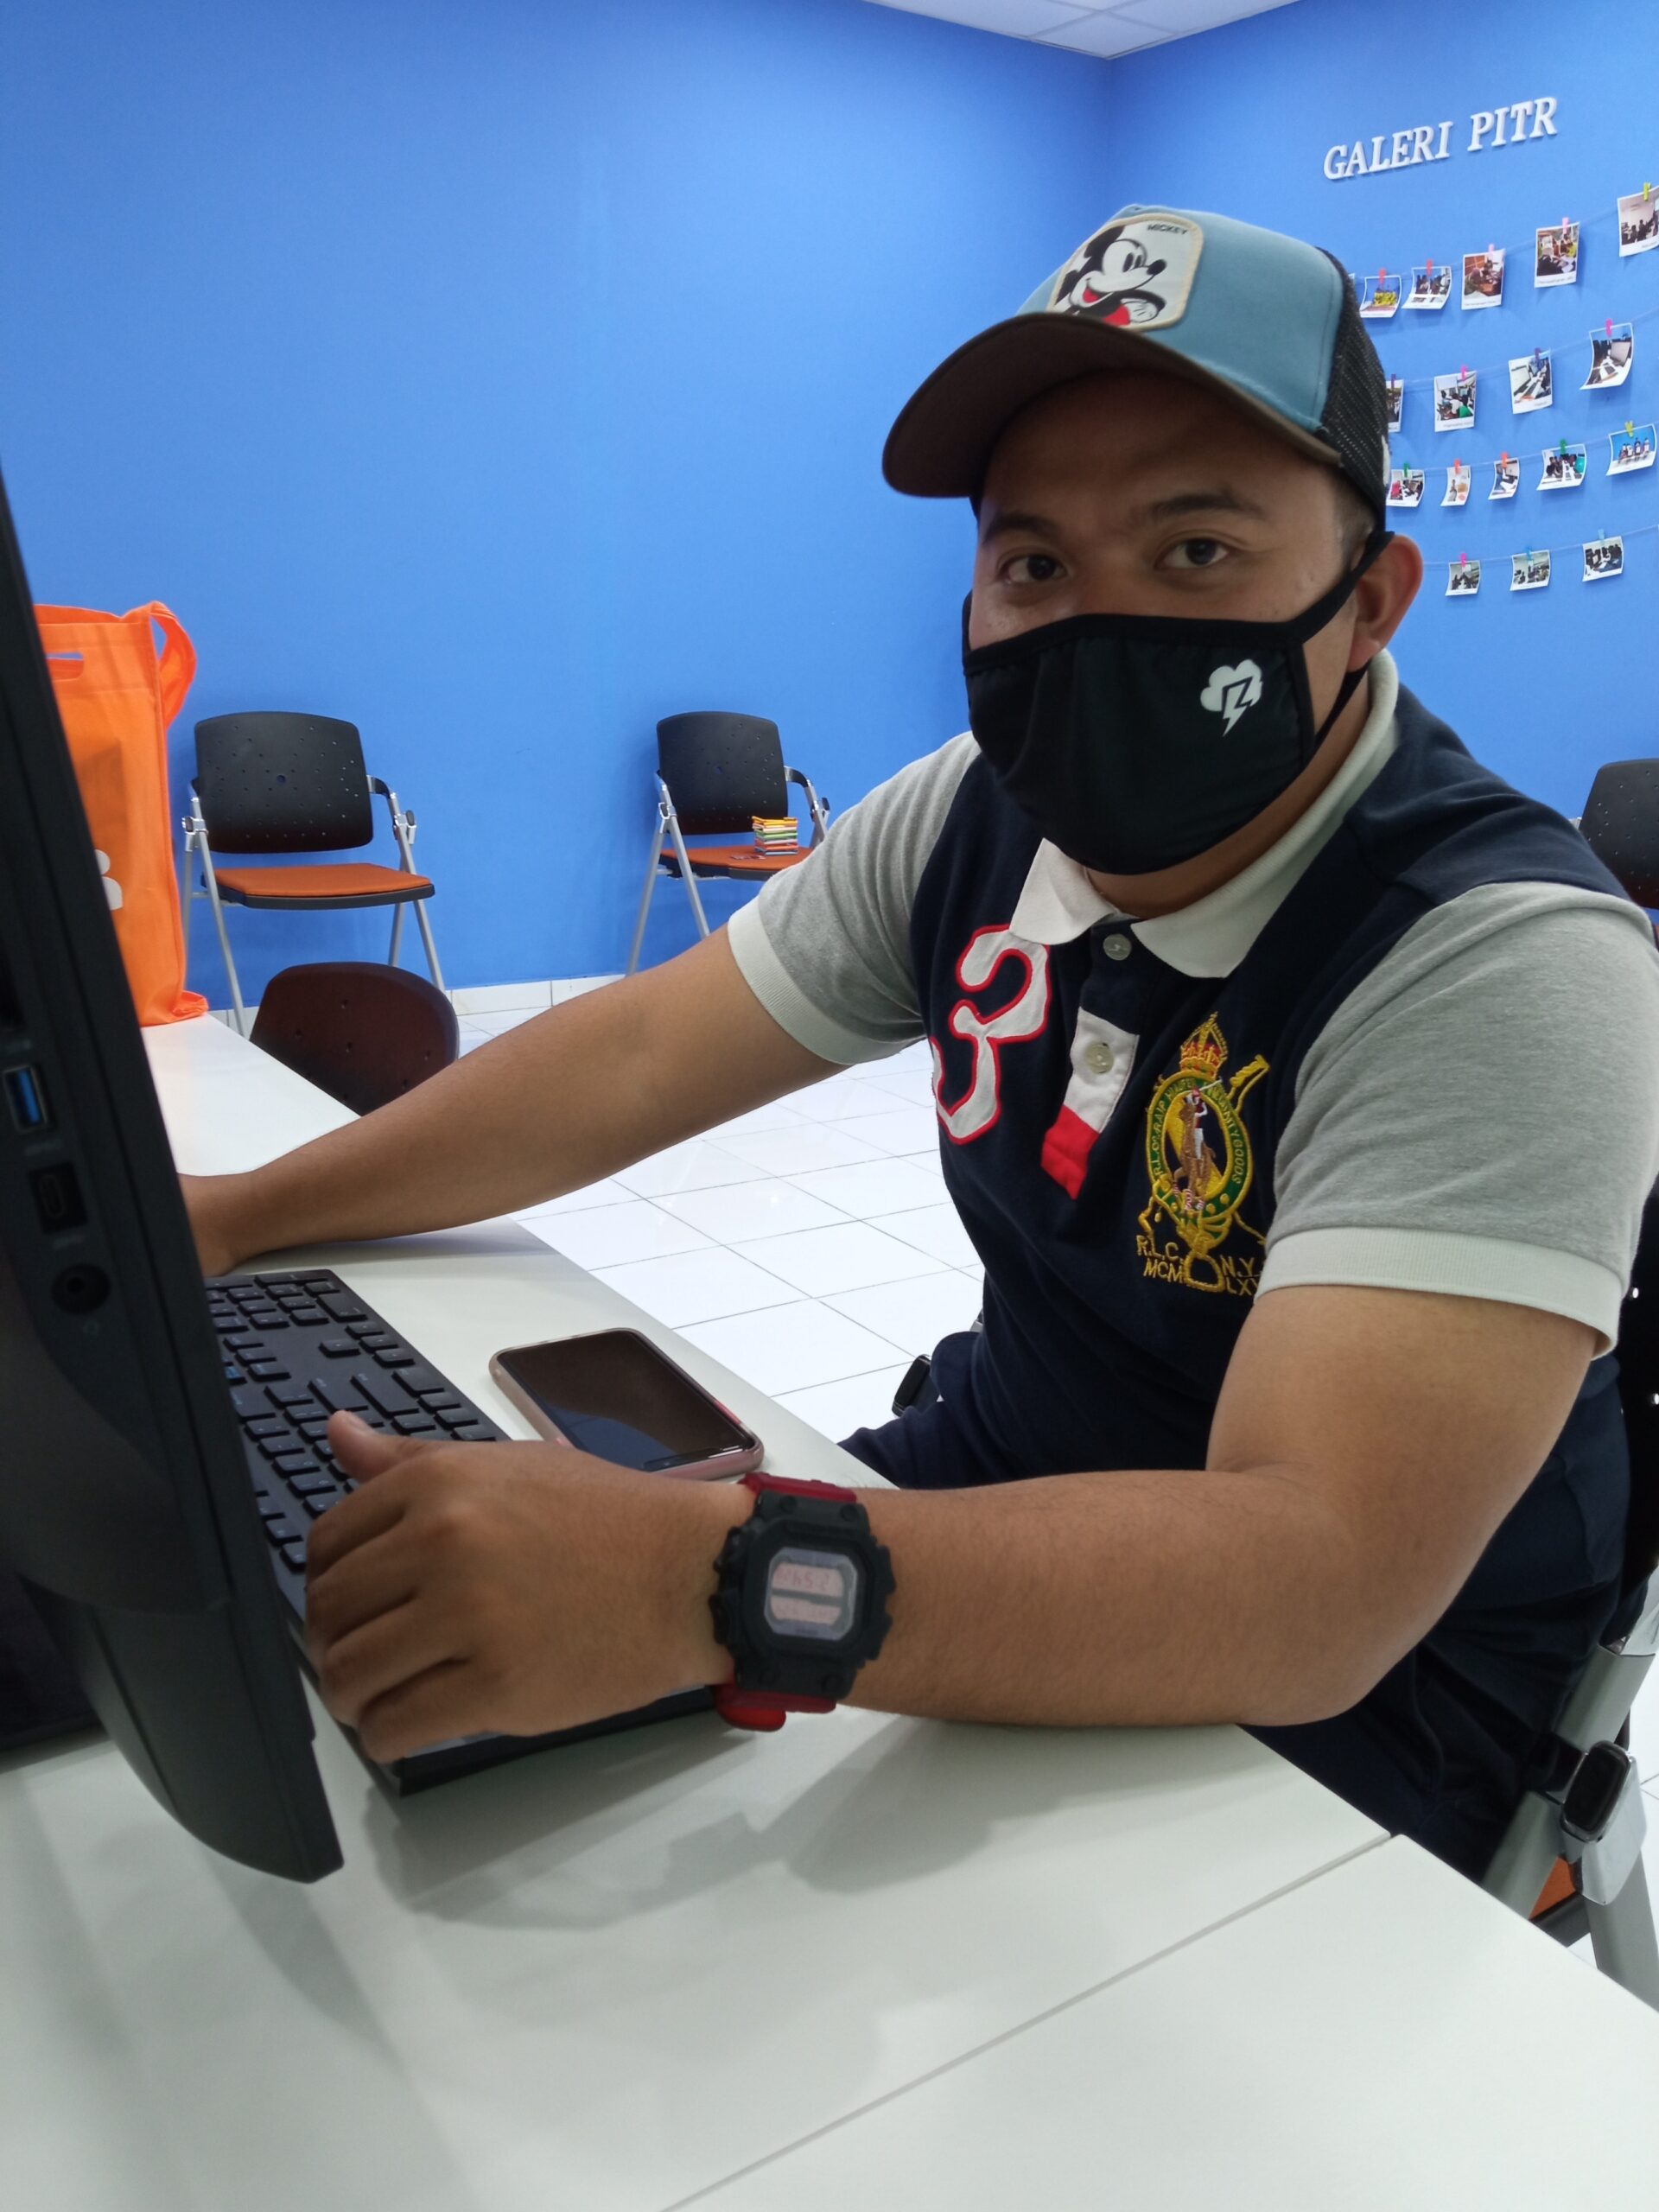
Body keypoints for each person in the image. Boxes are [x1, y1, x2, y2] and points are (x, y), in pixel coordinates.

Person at [186, 206, 1659, 1880]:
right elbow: (638, 1054)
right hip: (992, 1485)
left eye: (1196, 550)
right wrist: (231, 1217)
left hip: (1366, 1719)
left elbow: (1314, 1579)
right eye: (1034, 565)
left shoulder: (1498, 957)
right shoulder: (970, 818)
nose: (1096, 622)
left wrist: (712, 1582)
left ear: (1370, 600)